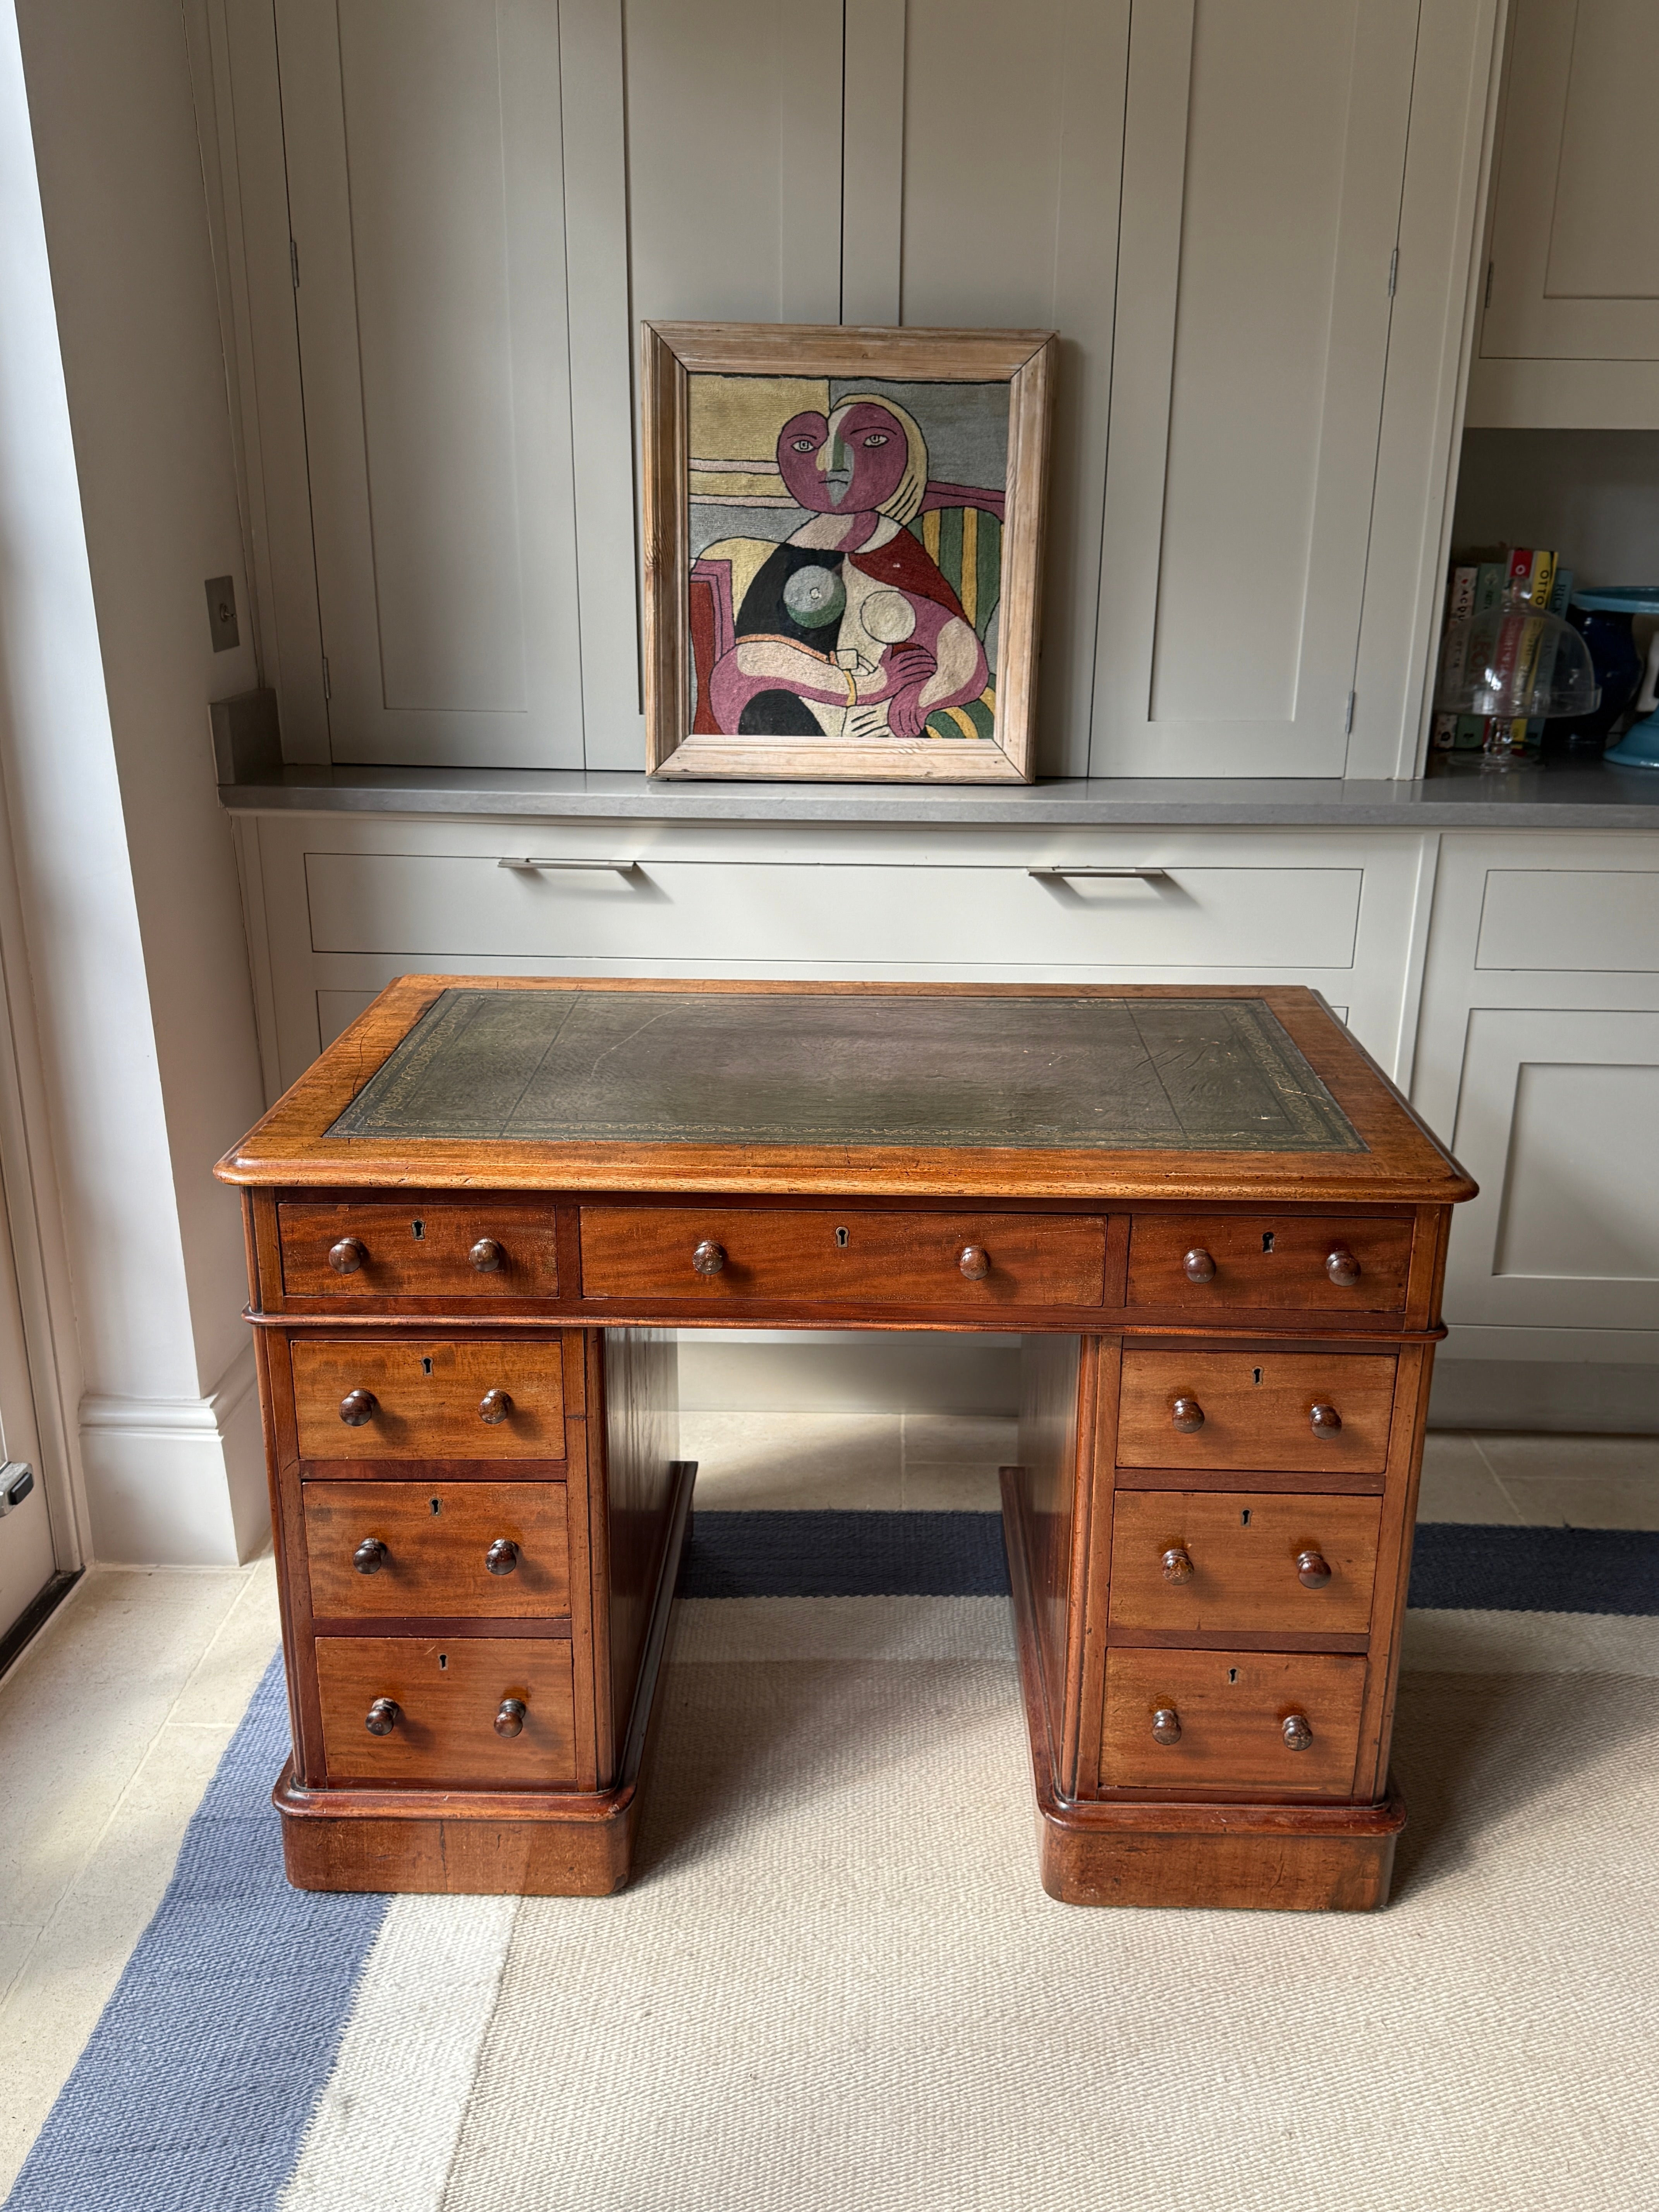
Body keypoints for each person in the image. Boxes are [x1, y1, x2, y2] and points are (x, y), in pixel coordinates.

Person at [697, 395, 991, 741]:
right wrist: (864, 686)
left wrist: (917, 701)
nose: (831, 465)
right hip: (800, 714)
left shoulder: (894, 550)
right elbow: (745, 667)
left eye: (873, 442)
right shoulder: (795, 552)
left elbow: (961, 655)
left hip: (879, 724)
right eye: (806, 446)